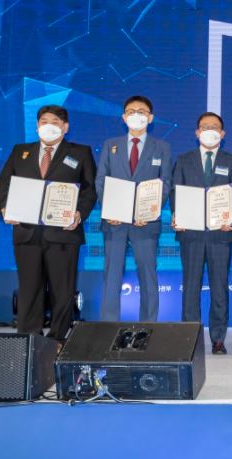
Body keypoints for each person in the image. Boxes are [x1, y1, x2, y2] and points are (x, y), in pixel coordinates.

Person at [0, 105, 96, 342]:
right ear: (37, 126)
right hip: (27, 232)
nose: (49, 126)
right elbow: (4, 184)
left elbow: (90, 189)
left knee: (62, 290)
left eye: (55, 122)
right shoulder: (21, 151)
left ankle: (58, 339)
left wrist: (79, 213)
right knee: (29, 288)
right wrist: (5, 208)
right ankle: (30, 339)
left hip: (63, 233)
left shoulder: (80, 152)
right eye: (44, 121)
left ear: (65, 127)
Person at [95, 95, 172, 322]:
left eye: (141, 111)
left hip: (145, 223)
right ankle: (108, 326)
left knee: (148, 277)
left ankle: (148, 327)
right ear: (123, 117)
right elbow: (101, 180)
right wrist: (110, 210)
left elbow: (166, 183)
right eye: (131, 111)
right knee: (111, 276)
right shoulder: (111, 145)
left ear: (150, 118)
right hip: (115, 223)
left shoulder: (162, 147)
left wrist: (149, 212)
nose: (136, 115)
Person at [171, 112, 232, 354]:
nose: (210, 130)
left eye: (215, 127)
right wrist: (178, 215)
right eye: (205, 126)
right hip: (191, 233)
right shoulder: (184, 159)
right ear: (197, 132)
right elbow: (175, 191)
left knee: (219, 287)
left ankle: (218, 339)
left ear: (222, 133)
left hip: (220, 234)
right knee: (191, 287)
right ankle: (190, 338)